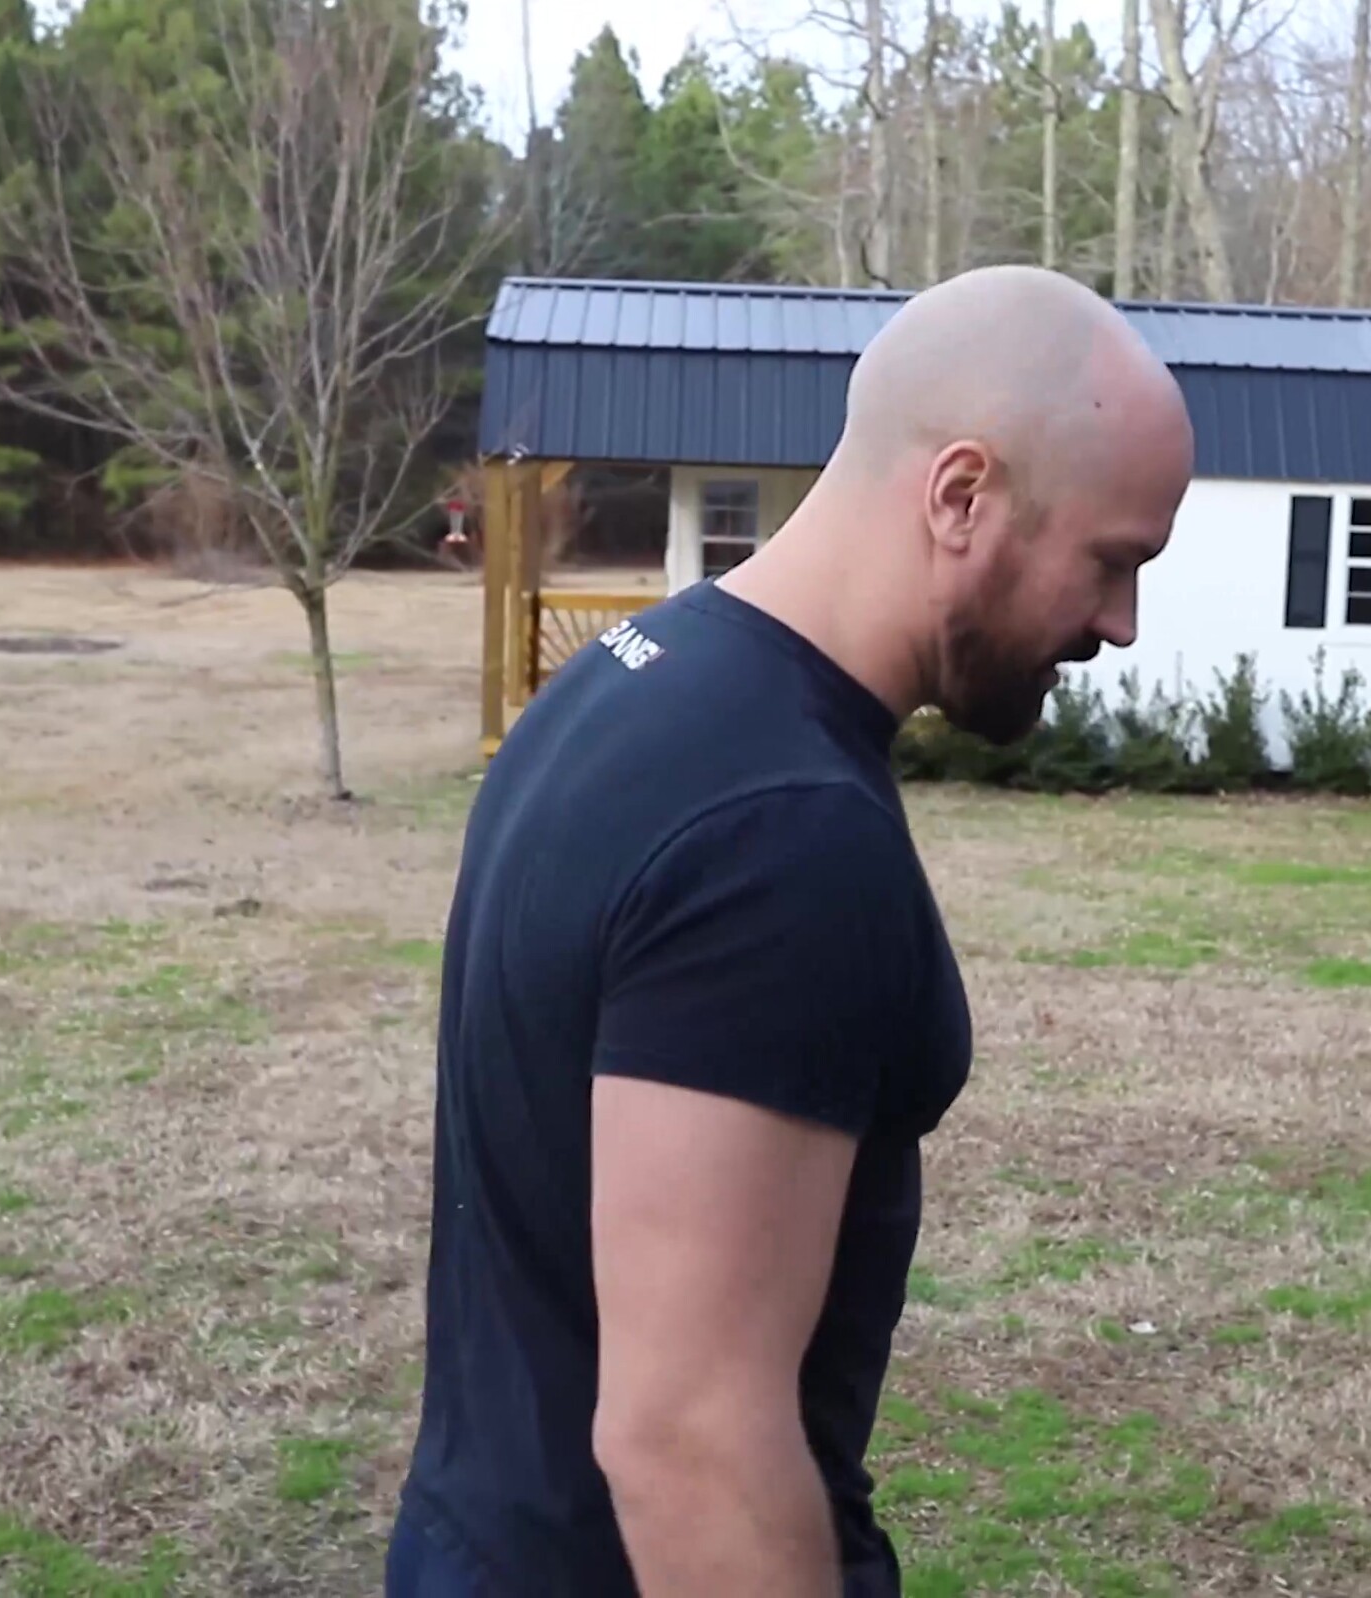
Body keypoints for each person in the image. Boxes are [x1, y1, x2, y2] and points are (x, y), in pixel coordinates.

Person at [385, 263, 1196, 1598]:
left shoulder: (619, 685)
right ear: (961, 496)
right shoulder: (782, 835)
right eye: (1112, 561)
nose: (1121, 623)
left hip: (476, 1539)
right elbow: (689, 1442)